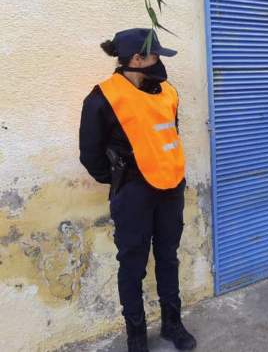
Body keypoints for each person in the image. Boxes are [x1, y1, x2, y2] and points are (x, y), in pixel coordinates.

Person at [79, 28, 197, 351]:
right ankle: (137, 337)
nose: (159, 61)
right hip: (133, 193)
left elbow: (169, 135)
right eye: (155, 54)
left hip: (170, 189)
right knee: (132, 265)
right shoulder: (103, 98)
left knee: (168, 258)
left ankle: (173, 324)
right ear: (136, 59)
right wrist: (123, 179)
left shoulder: (168, 92)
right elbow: (90, 155)